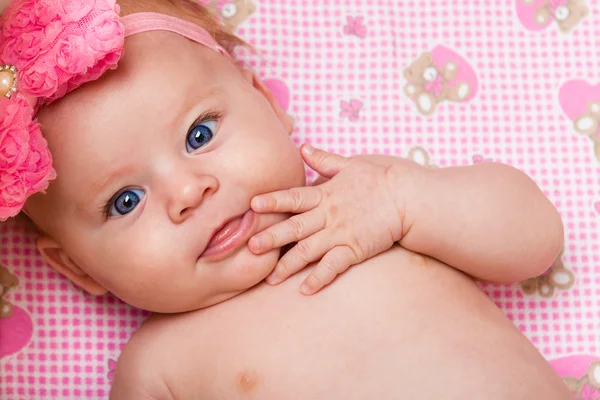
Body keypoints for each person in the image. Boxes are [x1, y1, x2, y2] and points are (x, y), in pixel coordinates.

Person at [0, 0, 573, 398]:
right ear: (76, 266)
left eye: (200, 135)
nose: (187, 193)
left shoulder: (371, 200)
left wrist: (405, 201)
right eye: (125, 200)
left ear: (267, 106)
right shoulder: (158, 368)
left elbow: (536, 239)